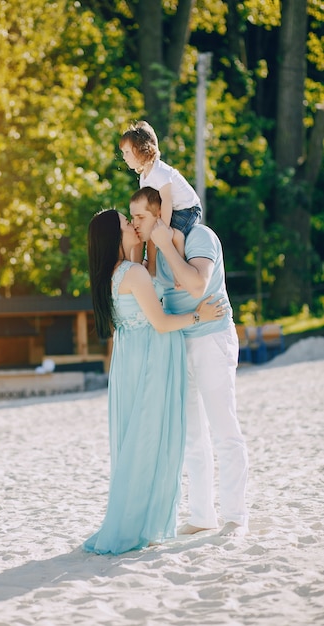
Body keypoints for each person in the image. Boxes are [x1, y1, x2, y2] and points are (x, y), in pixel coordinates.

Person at [83, 209, 226, 555]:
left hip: (129, 364)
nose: (132, 224)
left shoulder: (112, 275)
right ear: (114, 237)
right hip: (150, 361)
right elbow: (161, 323)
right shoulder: (131, 273)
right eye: (125, 223)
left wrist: (140, 251)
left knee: (136, 442)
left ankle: (138, 520)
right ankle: (141, 524)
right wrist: (198, 315)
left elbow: (141, 279)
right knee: (151, 442)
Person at [129, 187, 249, 537]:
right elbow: (145, 286)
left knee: (224, 428)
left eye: (141, 217)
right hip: (180, 342)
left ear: (161, 215)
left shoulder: (201, 237)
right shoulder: (152, 250)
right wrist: (145, 245)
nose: (135, 223)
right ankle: (201, 515)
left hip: (212, 339)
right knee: (193, 435)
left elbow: (197, 285)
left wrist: (165, 243)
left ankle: (236, 515)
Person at [120, 120, 202, 273]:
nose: (124, 157)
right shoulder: (144, 177)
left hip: (188, 208)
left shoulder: (160, 172)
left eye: (127, 152)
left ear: (141, 150)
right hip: (171, 208)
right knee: (151, 234)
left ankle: (179, 272)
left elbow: (167, 200)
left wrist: (163, 226)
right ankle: (151, 268)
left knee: (174, 235)